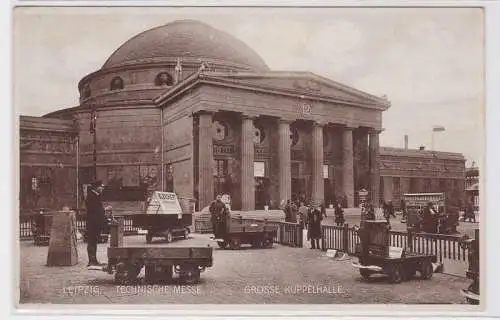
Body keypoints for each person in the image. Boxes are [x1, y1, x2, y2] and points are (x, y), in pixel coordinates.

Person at [85, 180, 106, 267]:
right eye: (101, 186)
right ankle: (91, 261)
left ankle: (94, 260)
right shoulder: (91, 196)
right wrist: (104, 210)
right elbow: (95, 210)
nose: (102, 188)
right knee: (91, 241)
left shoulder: (96, 195)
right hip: (92, 223)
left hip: (95, 223)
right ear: (96, 187)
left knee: (94, 241)